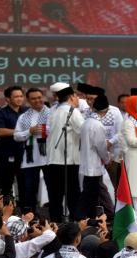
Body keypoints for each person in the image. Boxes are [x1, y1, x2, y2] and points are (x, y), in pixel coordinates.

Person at [46, 83, 84, 222]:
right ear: (72, 97)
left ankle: (55, 225)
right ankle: (77, 224)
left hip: (53, 161)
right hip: (67, 160)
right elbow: (84, 131)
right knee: (73, 195)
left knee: (55, 197)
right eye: (77, 96)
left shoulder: (54, 112)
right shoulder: (72, 111)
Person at [13, 88, 50, 212]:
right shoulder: (23, 117)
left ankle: (55, 217)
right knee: (29, 189)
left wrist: (43, 129)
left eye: (39, 97)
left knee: (53, 187)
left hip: (49, 157)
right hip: (30, 158)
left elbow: (57, 131)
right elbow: (16, 136)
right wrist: (29, 131)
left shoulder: (51, 113)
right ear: (28, 100)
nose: (37, 100)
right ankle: (30, 216)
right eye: (33, 98)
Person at [76, 95, 111, 220]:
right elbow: (101, 146)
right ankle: (81, 217)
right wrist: (107, 159)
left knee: (89, 193)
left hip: (86, 162)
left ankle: (89, 217)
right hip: (94, 164)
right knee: (90, 194)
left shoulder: (87, 122)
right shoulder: (97, 125)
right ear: (106, 111)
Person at [0, 86, 27, 197]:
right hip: (7, 154)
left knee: (26, 185)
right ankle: (1, 211)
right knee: (5, 186)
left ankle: (28, 211)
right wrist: (23, 131)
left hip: (26, 155)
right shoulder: (1, 113)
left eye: (21, 96)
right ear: (8, 99)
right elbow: (0, 131)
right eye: (16, 96)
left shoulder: (28, 112)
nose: (20, 99)